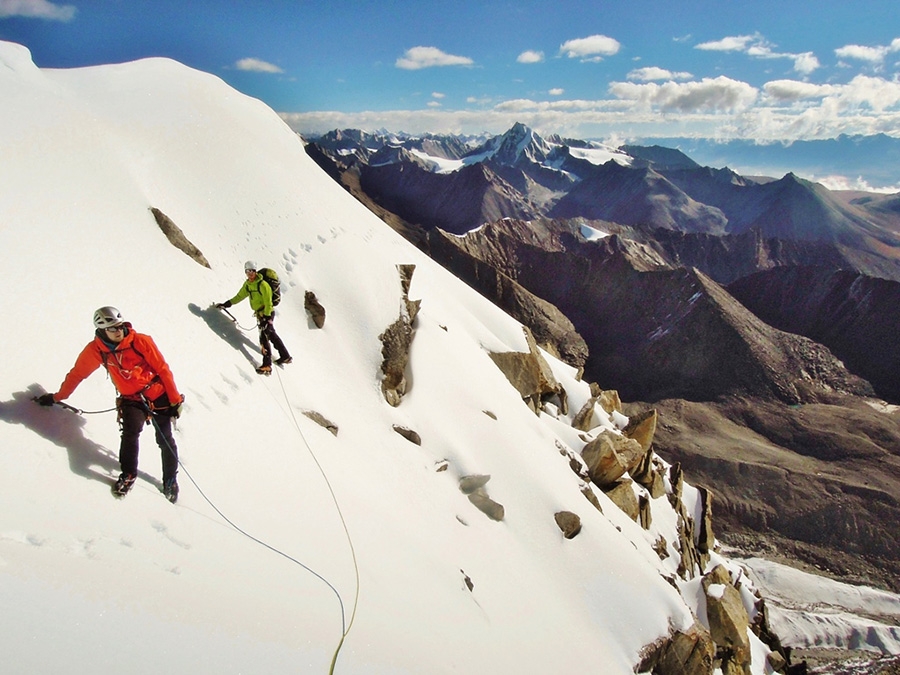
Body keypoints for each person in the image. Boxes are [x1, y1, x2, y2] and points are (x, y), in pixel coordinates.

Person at [37, 306, 184, 502]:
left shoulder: (140, 341)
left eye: (120, 326)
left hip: (158, 394)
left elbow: (163, 369)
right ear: (102, 330)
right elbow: (77, 374)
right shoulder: (96, 350)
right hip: (131, 399)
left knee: (164, 438)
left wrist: (174, 400)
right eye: (113, 328)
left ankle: (170, 479)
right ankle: (128, 474)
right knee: (130, 433)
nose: (119, 331)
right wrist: (58, 397)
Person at [216, 260, 291, 375]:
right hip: (261, 315)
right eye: (247, 271)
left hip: (267, 313)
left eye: (252, 271)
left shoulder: (263, 285)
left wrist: (266, 318)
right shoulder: (248, 285)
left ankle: (267, 365)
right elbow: (239, 296)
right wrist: (227, 304)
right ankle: (285, 356)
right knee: (271, 334)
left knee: (264, 338)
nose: (250, 273)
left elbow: (268, 302)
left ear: (255, 271)